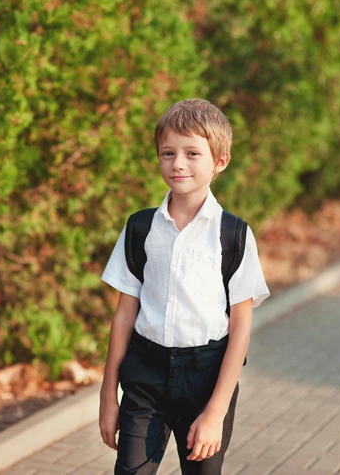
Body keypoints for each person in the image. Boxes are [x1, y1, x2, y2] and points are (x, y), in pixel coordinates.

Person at [99, 98, 270, 474]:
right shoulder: (140, 228)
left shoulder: (234, 235)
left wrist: (216, 411)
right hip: (145, 375)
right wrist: (108, 395)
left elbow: (240, 327)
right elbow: (125, 313)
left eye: (193, 153)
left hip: (205, 381)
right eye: (168, 153)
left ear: (219, 162)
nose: (178, 163)